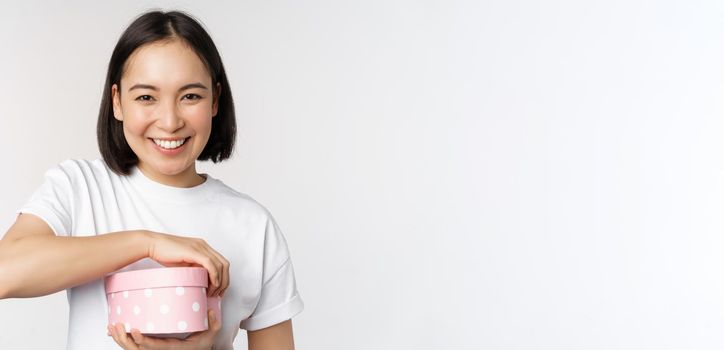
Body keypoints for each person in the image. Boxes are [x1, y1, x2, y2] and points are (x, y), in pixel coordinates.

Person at [0, 9, 303, 350]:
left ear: (215, 100)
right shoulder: (80, 187)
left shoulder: (253, 225)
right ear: (117, 102)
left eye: (191, 96)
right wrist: (147, 244)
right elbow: (5, 273)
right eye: (146, 97)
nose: (170, 121)